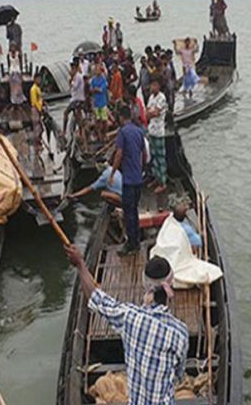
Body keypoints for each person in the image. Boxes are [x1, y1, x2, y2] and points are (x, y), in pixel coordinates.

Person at [64, 243, 188, 403]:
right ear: (170, 286)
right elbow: (178, 373)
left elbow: (95, 297)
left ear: (145, 285)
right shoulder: (180, 332)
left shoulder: (129, 317)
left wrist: (80, 264)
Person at [110, 106, 147, 256]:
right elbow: (144, 154)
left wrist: (113, 172)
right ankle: (135, 241)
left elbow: (119, 154)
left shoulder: (122, 132)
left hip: (129, 181)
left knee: (128, 213)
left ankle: (132, 244)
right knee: (134, 211)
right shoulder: (139, 131)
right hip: (138, 179)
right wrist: (142, 169)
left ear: (121, 118)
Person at [146, 78, 168, 194]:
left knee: (160, 158)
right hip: (151, 130)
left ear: (159, 86)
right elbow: (148, 112)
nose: (152, 87)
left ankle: (163, 183)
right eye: (151, 84)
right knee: (153, 156)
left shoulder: (162, 98)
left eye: (154, 85)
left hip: (159, 132)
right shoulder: (151, 98)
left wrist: (151, 113)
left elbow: (156, 113)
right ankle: (157, 178)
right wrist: (150, 113)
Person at [63, 58, 86, 133]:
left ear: (76, 68)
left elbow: (74, 86)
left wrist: (71, 80)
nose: (71, 70)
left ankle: (64, 131)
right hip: (75, 98)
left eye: (73, 68)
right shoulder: (75, 77)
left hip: (77, 99)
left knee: (66, 113)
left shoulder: (78, 77)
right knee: (77, 117)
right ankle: (80, 132)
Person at [90, 64, 110, 138]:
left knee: (104, 120)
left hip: (103, 103)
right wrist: (96, 89)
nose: (96, 71)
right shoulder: (93, 80)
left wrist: (96, 89)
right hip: (96, 103)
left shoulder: (103, 79)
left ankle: (104, 134)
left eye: (97, 70)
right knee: (97, 120)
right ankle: (99, 136)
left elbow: (101, 90)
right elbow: (91, 89)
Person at [30, 72, 45, 152]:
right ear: (35, 79)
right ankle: (37, 145)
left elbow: (40, 99)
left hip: (38, 109)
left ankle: (39, 142)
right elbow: (34, 102)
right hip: (35, 109)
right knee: (37, 128)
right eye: (38, 79)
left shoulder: (38, 88)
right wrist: (39, 110)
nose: (40, 80)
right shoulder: (33, 89)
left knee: (40, 128)